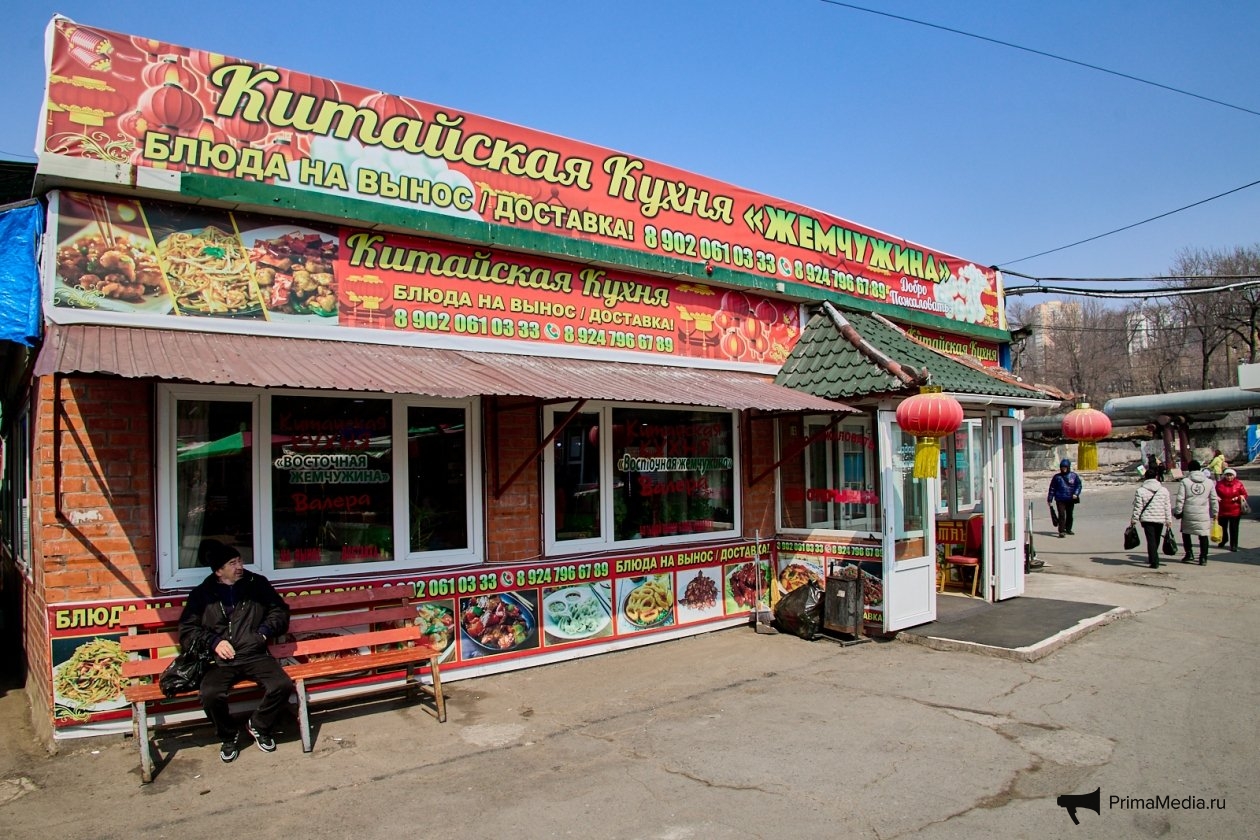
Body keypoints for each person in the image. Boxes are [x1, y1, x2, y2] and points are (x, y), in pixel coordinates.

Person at [179, 539, 292, 763]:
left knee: (282, 685)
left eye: (239, 561)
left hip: (254, 653)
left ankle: (259, 725)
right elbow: (187, 630)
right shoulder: (202, 594)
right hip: (220, 661)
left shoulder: (257, 584)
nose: (239, 566)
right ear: (219, 571)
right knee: (210, 694)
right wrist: (214, 642)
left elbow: (279, 611)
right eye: (232, 563)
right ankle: (228, 735)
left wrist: (262, 633)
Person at [1174, 460, 1219, 565]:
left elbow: (1180, 499)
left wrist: (1178, 511)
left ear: (1189, 469)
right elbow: (1214, 499)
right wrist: (1215, 512)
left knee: (1186, 533)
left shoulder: (1185, 481)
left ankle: (1189, 554)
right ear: (1199, 469)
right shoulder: (1209, 482)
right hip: (1203, 513)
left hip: (1188, 512)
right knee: (1203, 535)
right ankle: (1203, 557)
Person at [1131, 472, 1173, 568]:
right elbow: (1167, 506)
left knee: (1150, 540)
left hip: (1147, 519)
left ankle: (1154, 560)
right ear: (1156, 477)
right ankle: (1154, 557)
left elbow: (1138, 507)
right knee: (1156, 539)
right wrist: (1168, 520)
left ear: (1145, 477)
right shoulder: (1164, 490)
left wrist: (1134, 519)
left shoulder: (1140, 491)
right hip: (1160, 518)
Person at [1214, 468, 1249, 552]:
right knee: (1222, 527)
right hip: (1222, 509)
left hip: (1235, 510)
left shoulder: (1238, 484)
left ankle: (1234, 545)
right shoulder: (1219, 484)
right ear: (1224, 476)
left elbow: (1245, 494)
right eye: (1227, 475)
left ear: (1234, 476)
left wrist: (1239, 497)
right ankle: (1224, 540)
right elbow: (1213, 493)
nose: (1229, 477)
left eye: (1231, 475)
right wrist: (1216, 497)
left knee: (1234, 529)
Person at [1047, 458, 1083, 538]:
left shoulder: (1073, 476)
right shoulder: (1057, 477)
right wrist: (1050, 499)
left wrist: (1076, 493)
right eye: (1062, 467)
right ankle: (1061, 531)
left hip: (1070, 498)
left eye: (1065, 467)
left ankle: (1068, 529)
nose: (1064, 469)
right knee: (1061, 515)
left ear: (1068, 467)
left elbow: (1078, 485)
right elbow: (1052, 488)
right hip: (1060, 499)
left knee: (1069, 514)